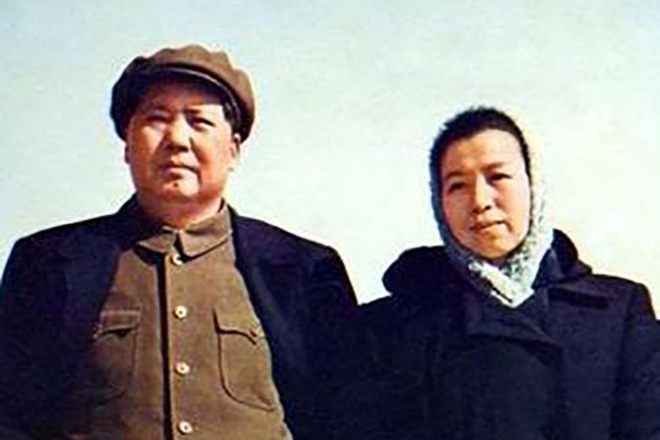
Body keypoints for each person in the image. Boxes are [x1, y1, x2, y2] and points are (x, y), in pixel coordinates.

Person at [0, 44, 359, 440]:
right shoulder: (50, 261)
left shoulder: (304, 270)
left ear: (233, 150)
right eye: (157, 119)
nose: (177, 139)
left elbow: (345, 416)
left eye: (198, 121)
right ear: (127, 145)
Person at [362, 107, 660, 440]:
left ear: (533, 185)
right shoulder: (390, 328)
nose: (480, 201)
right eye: (457, 185)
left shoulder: (619, 312)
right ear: (438, 203)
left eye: (498, 177)